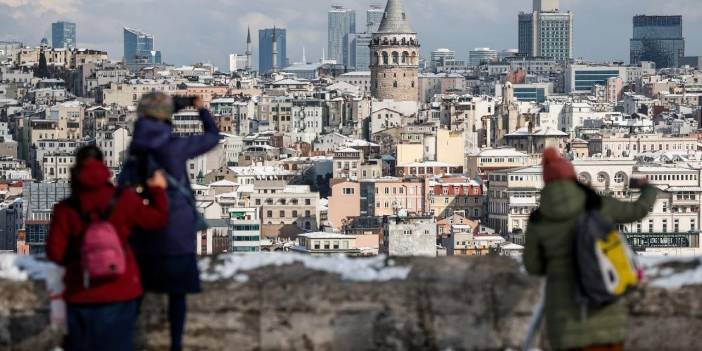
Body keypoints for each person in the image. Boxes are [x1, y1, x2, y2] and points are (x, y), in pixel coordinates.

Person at [524, 148, 658, 351]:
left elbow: (532, 266)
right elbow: (637, 211)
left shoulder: (539, 219)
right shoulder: (596, 203)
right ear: (573, 176)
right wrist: (649, 189)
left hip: (565, 320)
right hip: (606, 311)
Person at [46, 146, 169, 351]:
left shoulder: (65, 209)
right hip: (121, 289)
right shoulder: (124, 200)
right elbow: (157, 220)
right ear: (104, 166)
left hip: (81, 292)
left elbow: (55, 253)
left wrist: (81, 262)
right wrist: (157, 190)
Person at [127, 92, 219, 351]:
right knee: (177, 295)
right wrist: (199, 109)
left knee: (137, 294)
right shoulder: (174, 146)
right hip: (177, 231)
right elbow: (212, 137)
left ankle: (128, 342)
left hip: (144, 232)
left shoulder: (136, 147)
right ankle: (175, 345)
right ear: (166, 116)